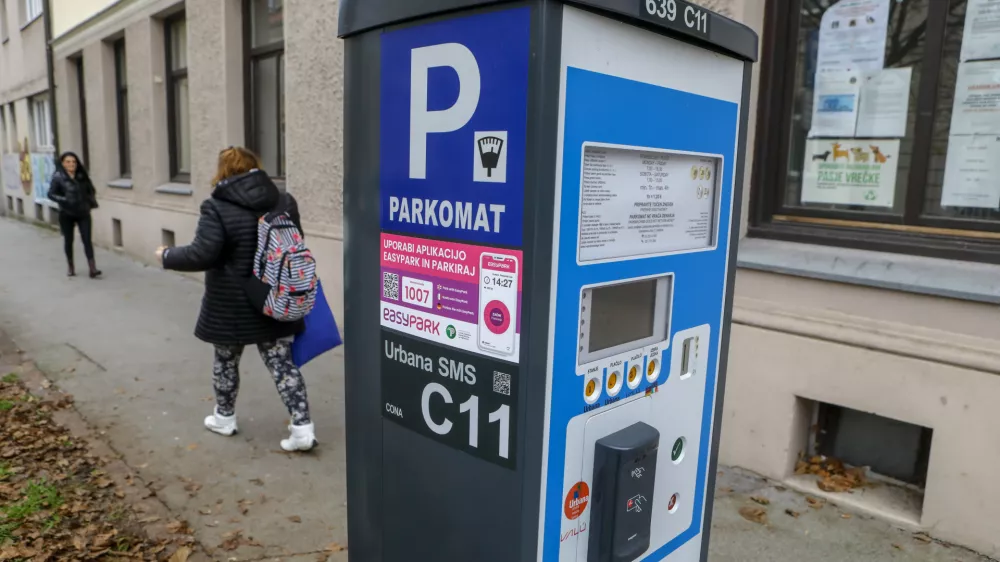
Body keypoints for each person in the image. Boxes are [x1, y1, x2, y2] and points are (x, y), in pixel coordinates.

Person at [155, 146, 316, 452]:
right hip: (275, 298)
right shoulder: (283, 200)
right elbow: (295, 243)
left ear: (223, 171)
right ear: (256, 166)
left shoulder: (216, 206)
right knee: (283, 365)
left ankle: (224, 418)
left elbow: (203, 253)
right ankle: (302, 429)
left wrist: (167, 255)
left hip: (231, 304)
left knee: (226, 362)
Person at [47, 152, 101, 278]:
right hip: (66, 213)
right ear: (63, 163)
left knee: (87, 240)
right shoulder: (58, 177)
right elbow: (50, 194)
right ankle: (71, 266)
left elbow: (91, 190)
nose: (71, 164)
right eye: (68, 162)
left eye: (74, 162)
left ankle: (92, 268)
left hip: (83, 212)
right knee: (68, 240)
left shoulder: (82, 176)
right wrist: (64, 200)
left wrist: (88, 201)